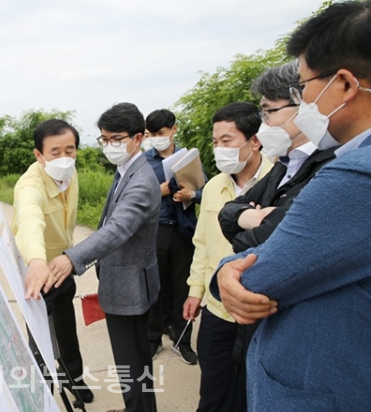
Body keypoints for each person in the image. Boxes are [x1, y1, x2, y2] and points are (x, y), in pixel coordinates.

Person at [211, 2, 371, 410]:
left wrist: (228, 268)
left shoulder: (353, 177)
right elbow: (235, 216)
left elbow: (261, 274)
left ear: (346, 85)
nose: (303, 102)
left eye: (303, 88)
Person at [216, 60, 337, 408]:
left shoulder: (329, 165)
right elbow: (228, 214)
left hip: (290, 323)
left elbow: (271, 243)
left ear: (305, 104)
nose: (265, 123)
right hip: (257, 321)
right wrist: (248, 219)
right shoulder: (285, 165)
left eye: (269, 112)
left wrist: (250, 224)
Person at [48, 102, 160, 412]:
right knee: (133, 362)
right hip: (123, 279)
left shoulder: (141, 181)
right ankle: (136, 407)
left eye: (117, 138)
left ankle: (138, 408)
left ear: (138, 138)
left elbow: (117, 230)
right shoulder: (126, 169)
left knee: (132, 362)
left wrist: (72, 258)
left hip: (130, 286)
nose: (109, 145)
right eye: (105, 138)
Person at [183, 102, 272, 412]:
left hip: (261, 312)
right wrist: (196, 290)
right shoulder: (213, 188)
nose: (219, 149)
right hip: (218, 310)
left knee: (253, 392)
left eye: (227, 141)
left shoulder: (281, 181)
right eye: (215, 141)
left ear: (255, 140)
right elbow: (203, 244)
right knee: (213, 391)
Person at [11, 119, 93, 403]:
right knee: (38, 335)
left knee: (66, 326)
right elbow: (30, 220)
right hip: (38, 270)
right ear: (39, 155)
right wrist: (36, 260)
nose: (63, 158)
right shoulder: (29, 186)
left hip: (62, 265)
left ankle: (74, 378)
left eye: (69, 150)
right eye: (55, 152)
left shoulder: (71, 173)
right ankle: (42, 390)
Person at [143, 109, 202, 364]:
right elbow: (134, 198)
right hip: (154, 230)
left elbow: (204, 189)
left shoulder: (187, 159)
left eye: (162, 133)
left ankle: (182, 341)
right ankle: (153, 339)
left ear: (173, 129)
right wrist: (160, 192)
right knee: (155, 288)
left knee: (182, 287)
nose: (157, 138)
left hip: (182, 231)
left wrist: (192, 196)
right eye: (152, 134)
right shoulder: (144, 162)